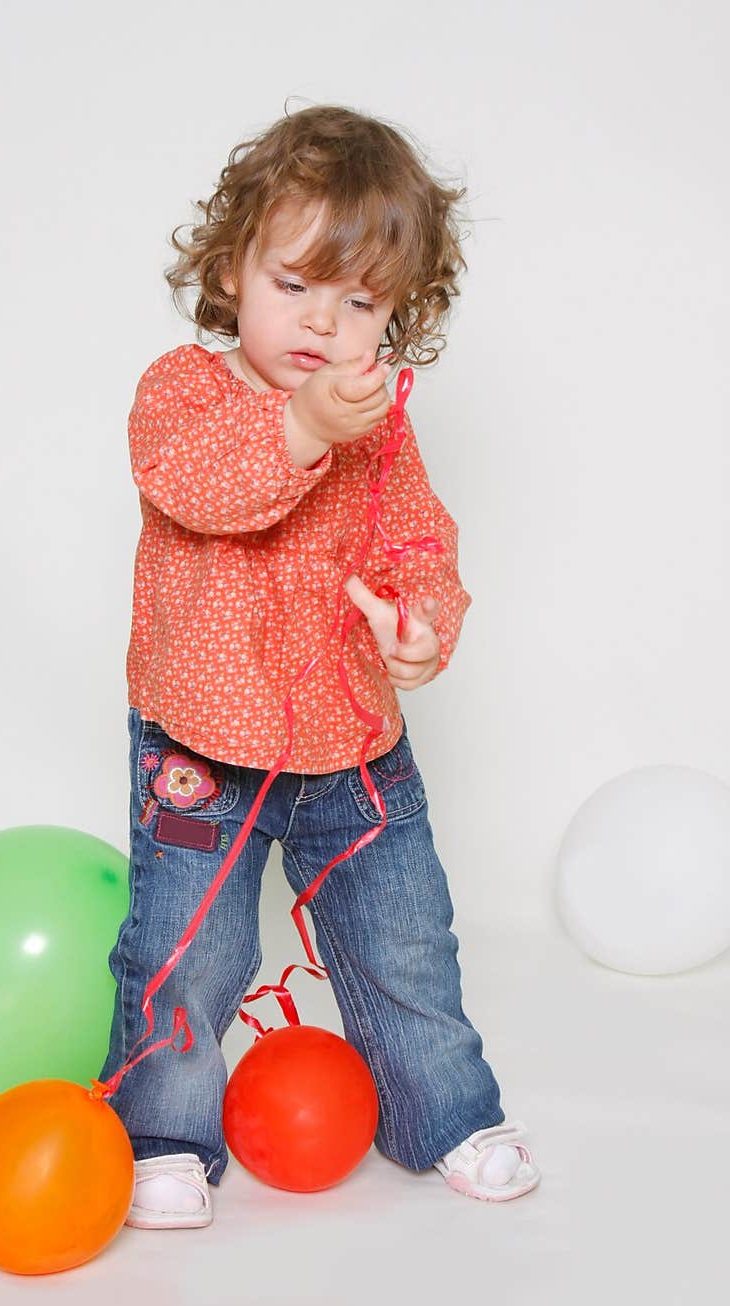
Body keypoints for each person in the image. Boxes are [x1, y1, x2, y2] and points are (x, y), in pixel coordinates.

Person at [98, 103, 540, 1229]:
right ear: (231, 265)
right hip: (205, 746)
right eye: (294, 284)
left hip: (354, 745)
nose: (321, 324)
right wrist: (299, 422)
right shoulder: (183, 394)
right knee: (185, 950)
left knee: (404, 940)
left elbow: (416, 542)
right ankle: (164, 1134)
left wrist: (420, 625)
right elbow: (197, 489)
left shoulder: (381, 428)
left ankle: (444, 1114)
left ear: (398, 316)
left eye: (358, 303)